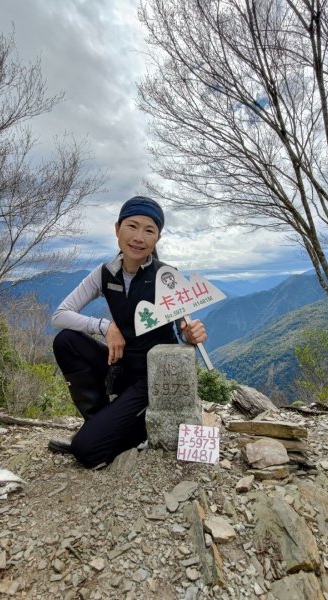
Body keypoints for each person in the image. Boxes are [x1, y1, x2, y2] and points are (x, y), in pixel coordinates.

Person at [49, 196, 207, 469]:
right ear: (117, 229)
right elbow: (60, 315)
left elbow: (183, 329)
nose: (139, 237)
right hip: (120, 366)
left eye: (149, 230)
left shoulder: (167, 274)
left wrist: (191, 334)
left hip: (153, 376)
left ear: (157, 237)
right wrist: (105, 326)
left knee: (86, 451)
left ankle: (118, 429)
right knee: (66, 341)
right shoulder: (104, 274)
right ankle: (98, 420)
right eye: (132, 226)